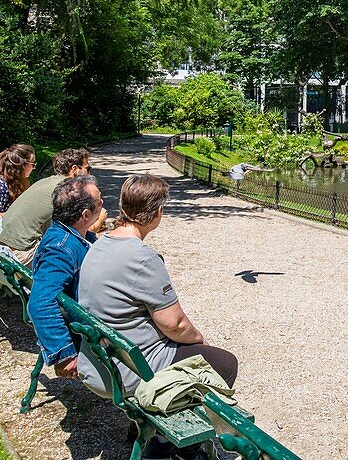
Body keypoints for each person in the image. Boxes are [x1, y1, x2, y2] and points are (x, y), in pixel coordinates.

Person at [77, 174, 237, 416]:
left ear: (123, 206)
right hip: (129, 370)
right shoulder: (143, 258)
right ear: (157, 214)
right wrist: (200, 340)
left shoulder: (101, 243)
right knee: (224, 364)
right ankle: (175, 446)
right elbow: (175, 324)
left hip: (98, 360)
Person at [27, 175, 106, 379]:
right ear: (86, 214)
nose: (103, 202)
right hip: (90, 333)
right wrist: (64, 354)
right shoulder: (60, 249)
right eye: (99, 200)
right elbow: (40, 302)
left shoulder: (69, 234)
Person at [0, 148, 92, 265]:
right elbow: (75, 231)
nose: (89, 174)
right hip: (23, 253)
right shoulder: (67, 190)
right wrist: (99, 220)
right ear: (74, 169)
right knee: (80, 250)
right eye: (87, 169)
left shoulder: (45, 181)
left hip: (6, 248)